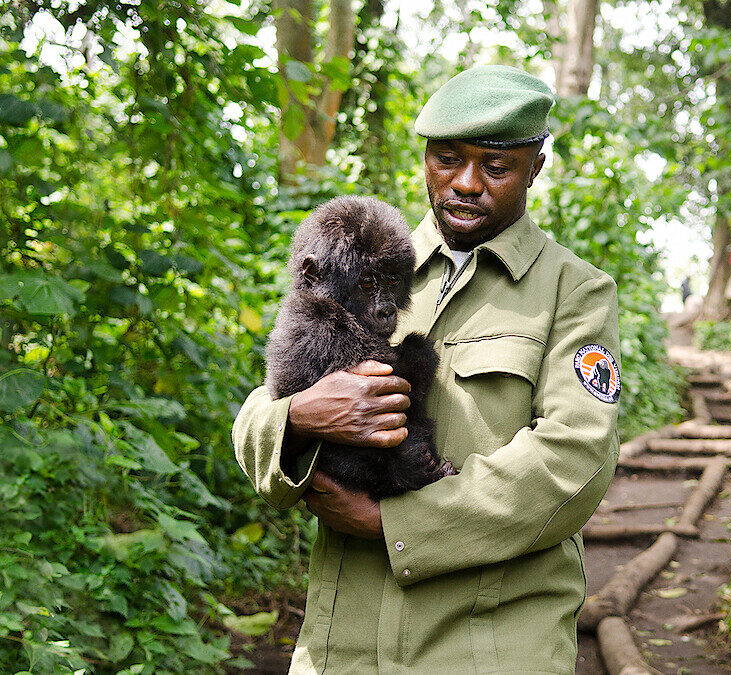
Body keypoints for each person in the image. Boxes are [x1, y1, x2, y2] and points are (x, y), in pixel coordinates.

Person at [232, 65, 620, 673]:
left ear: (534, 168)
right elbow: (267, 400)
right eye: (447, 159)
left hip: (488, 648)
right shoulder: (366, 254)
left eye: (496, 166)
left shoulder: (574, 292)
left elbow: (577, 459)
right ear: (425, 159)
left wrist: (396, 523)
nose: (466, 183)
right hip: (344, 647)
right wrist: (300, 419)